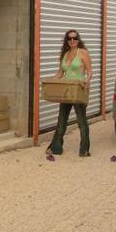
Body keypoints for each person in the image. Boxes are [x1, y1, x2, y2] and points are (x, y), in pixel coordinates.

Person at [46, 29, 93, 157]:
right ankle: (56, 147)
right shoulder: (65, 54)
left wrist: (86, 81)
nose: (72, 40)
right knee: (61, 120)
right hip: (66, 91)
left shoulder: (83, 53)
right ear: (67, 41)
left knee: (81, 120)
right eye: (69, 38)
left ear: (78, 39)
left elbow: (89, 71)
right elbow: (60, 73)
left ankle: (84, 149)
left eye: (74, 38)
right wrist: (49, 81)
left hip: (78, 90)